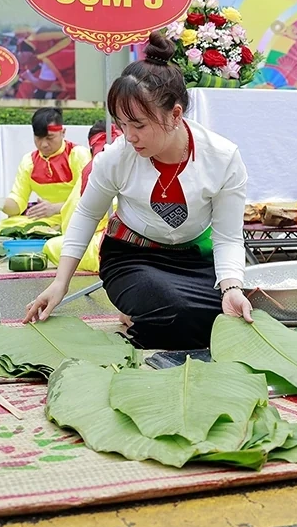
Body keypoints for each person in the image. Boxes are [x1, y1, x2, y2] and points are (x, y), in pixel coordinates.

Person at [25, 32, 252, 349]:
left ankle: (145, 316)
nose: (129, 135)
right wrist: (60, 283)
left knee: (231, 312)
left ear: (175, 114)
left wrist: (231, 288)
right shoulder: (116, 157)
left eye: (139, 125)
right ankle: (146, 310)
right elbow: (87, 214)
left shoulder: (223, 158)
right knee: (176, 309)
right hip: (133, 258)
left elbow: (227, 237)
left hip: (196, 259)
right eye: (122, 124)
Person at [0, 108, 91, 231]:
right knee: (4, 226)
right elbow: (18, 202)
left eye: (50, 137)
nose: (44, 144)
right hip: (47, 219)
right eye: (38, 138)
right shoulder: (29, 162)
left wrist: (56, 208)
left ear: (63, 132)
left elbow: (89, 197)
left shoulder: (78, 155)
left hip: (76, 217)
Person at [42, 120, 120, 273]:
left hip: (112, 243)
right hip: (144, 239)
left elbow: (73, 223)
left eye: (49, 137)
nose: (44, 144)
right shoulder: (138, 159)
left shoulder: (83, 160)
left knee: (53, 246)